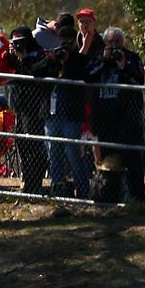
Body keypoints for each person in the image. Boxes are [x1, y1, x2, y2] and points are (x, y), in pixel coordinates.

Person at [86, 27, 145, 202]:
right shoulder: (100, 58)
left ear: (123, 42)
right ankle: (109, 198)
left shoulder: (132, 58)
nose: (114, 46)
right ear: (105, 43)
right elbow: (88, 77)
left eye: (117, 42)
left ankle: (138, 199)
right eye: (110, 42)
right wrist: (105, 61)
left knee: (133, 161)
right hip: (106, 119)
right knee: (108, 162)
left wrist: (123, 66)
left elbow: (138, 80)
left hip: (129, 118)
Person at [34, 23, 92, 198]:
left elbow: (85, 75)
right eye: (62, 43)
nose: (65, 47)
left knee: (73, 152)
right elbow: (35, 71)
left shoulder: (79, 60)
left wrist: (68, 60)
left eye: (69, 43)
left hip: (71, 115)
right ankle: (57, 186)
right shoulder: (53, 57)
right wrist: (51, 59)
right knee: (54, 151)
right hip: (52, 114)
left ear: (75, 42)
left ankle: (83, 190)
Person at [4, 26, 50, 194]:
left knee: (34, 145)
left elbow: (36, 75)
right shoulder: (14, 55)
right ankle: (27, 180)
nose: (18, 47)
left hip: (35, 108)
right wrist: (12, 54)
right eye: (15, 44)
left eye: (21, 43)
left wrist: (24, 58)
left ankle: (35, 182)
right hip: (19, 106)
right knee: (21, 143)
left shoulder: (39, 54)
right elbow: (3, 66)